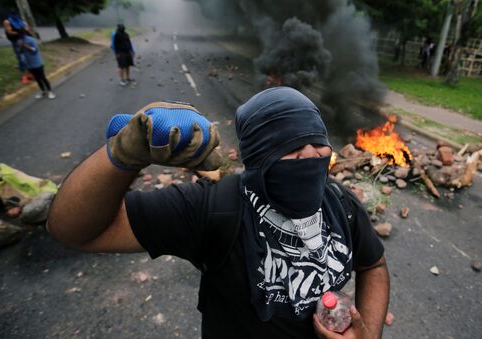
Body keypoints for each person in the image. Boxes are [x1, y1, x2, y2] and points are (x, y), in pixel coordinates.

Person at [47, 87, 390, 338]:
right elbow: (73, 230)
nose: (310, 156)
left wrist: (368, 337)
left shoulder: (339, 203)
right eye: (291, 148)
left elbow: (373, 264)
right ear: (257, 159)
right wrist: (123, 157)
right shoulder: (213, 208)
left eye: (317, 145)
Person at [21, 34, 55, 99]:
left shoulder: (30, 39)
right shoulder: (19, 40)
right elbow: (21, 52)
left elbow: (35, 50)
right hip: (29, 63)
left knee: (42, 77)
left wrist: (26, 46)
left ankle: (50, 91)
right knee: (37, 79)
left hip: (37, 63)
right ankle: (43, 91)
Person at [3, 12, 32, 84]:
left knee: (28, 58)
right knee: (22, 59)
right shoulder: (7, 21)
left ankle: (29, 74)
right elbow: (9, 32)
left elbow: (27, 29)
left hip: (25, 40)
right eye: (14, 15)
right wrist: (20, 32)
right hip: (16, 42)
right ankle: (24, 76)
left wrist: (26, 29)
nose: (15, 16)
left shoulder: (21, 21)